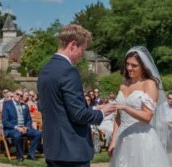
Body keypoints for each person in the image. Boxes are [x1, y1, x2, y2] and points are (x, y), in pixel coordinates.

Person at [37, 24, 116, 167]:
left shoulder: (45, 70)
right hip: (72, 151)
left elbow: (55, 107)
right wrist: (101, 113)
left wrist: (92, 108)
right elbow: (78, 115)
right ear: (73, 45)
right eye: (82, 49)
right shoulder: (69, 72)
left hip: (53, 149)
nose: (82, 55)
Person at [109, 46, 171, 167]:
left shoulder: (149, 84)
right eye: (127, 64)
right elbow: (118, 118)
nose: (129, 68)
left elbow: (147, 117)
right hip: (123, 138)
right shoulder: (124, 85)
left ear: (143, 67)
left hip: (141, 139)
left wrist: (125, 107)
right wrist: (113, 140)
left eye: (134, 65)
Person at [2, 88, 42, 162]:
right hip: (12, 129)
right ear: (14, 94)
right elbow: (5, 121)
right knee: (17, 135)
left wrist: (26, 127)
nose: (19, 96)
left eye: (21, 95)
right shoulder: (7, 104)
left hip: (24, 128)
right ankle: (20, 155)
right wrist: (17, 128)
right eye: (17, 94)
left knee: (38, 133)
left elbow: (29, 120)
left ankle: (31, 154)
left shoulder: (24, 106)